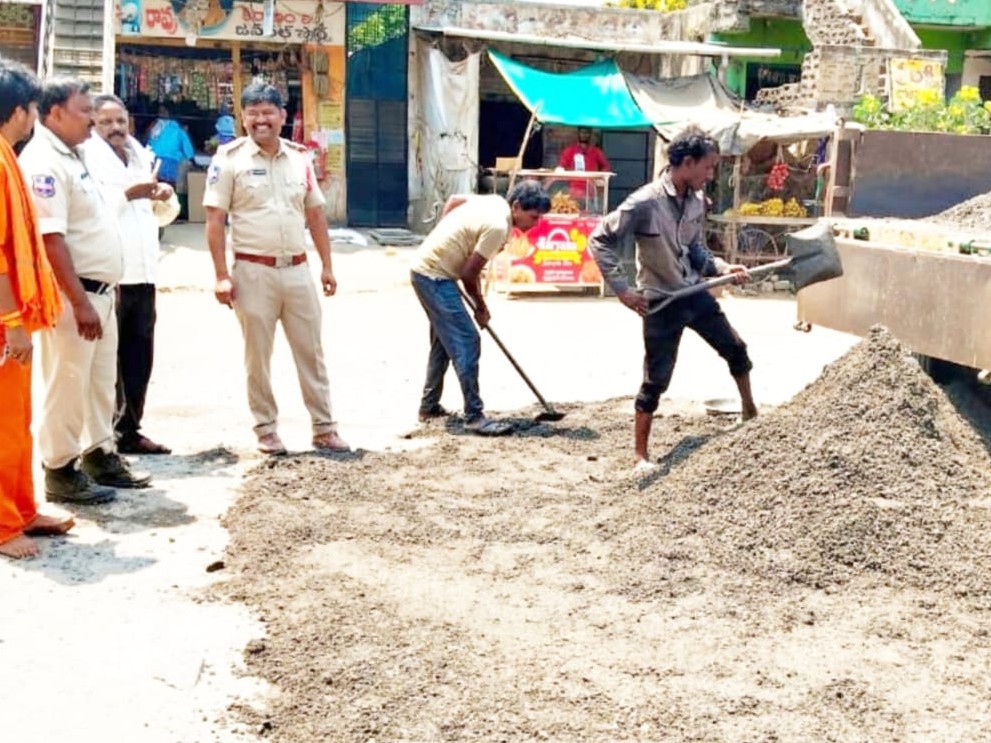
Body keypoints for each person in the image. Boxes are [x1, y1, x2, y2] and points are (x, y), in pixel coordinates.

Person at [19, 77, 159, 502]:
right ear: (55, 113)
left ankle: (100, 453)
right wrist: (79, 302)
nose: (93, 121)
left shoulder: (76, 155)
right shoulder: (45, 161)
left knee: (99, 382)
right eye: (85, 112)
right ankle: (60, 469)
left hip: (100, 293)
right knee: (67, 382)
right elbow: (50, 239)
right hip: (72, 295)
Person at [588, 126, 757, 474]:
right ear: (688, 163)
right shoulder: (645, 202)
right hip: (661, 302)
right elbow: (599, 239)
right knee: (656, 379)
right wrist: (621, 288)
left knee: (736, 348)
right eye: (708, 168)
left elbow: (695, 249)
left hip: (693, 293)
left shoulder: (695, 201)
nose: (710, 175)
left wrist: (723, 267)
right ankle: (640, 456)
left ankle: (750, 412)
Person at [203, 82, 349, 456]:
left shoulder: (300, 159)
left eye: (268, 112)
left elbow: (315, 213)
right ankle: (266, 430)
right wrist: (221, 274)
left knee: (311, 352)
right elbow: (215, 220)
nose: (260, 120)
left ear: (283, 116)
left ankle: (324, 428)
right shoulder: (229, 159)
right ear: (243, 117)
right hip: (253, 271)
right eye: (252, 113)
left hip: (297, 270)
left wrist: (326, 265)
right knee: (258, 357)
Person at [0, 58, 73, 559]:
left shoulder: (7, 155)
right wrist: (12, 324)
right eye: (31, 109)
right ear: (22, 110)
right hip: (4, 320)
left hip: (13, 317)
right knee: (4, 424)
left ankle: (22, 508)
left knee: (19, 419)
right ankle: (4, 525)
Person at [410, 181, 550, 435]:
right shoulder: (498, 227)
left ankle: (428, 406)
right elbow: (468, 273)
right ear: (516, 207)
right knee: (468, 340)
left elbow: (453, 200)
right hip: (435, 277)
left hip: (427, 270)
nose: (535, 224)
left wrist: (446, 238)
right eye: (533, 217)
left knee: (444, 342)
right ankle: (474, 415)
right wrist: (480, 308)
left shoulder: (495, 201)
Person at [84, 93, 173, 455]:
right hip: (112, 274)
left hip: (145, 272)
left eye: (120, 121)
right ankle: (102, 438)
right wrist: (128, 194)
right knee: (109, 361)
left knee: (140, 355)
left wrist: (164, 197)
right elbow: (91, 213)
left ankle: (130, 429)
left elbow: (159, 215)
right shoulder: (87, 156)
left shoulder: (138, 152)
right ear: (93, 125)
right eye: (105, 122)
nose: (115, 128)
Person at [558, 126, 610, 208]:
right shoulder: (570, 150)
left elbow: (606, 166)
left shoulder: (595, 151)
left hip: (591, 192)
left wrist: (599, 179)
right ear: (578, 133)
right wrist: (561, 171)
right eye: (582, 132)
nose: (585, 135)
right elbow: (561, 166)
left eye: (587, 133)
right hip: (574, 192)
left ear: (590, 134)